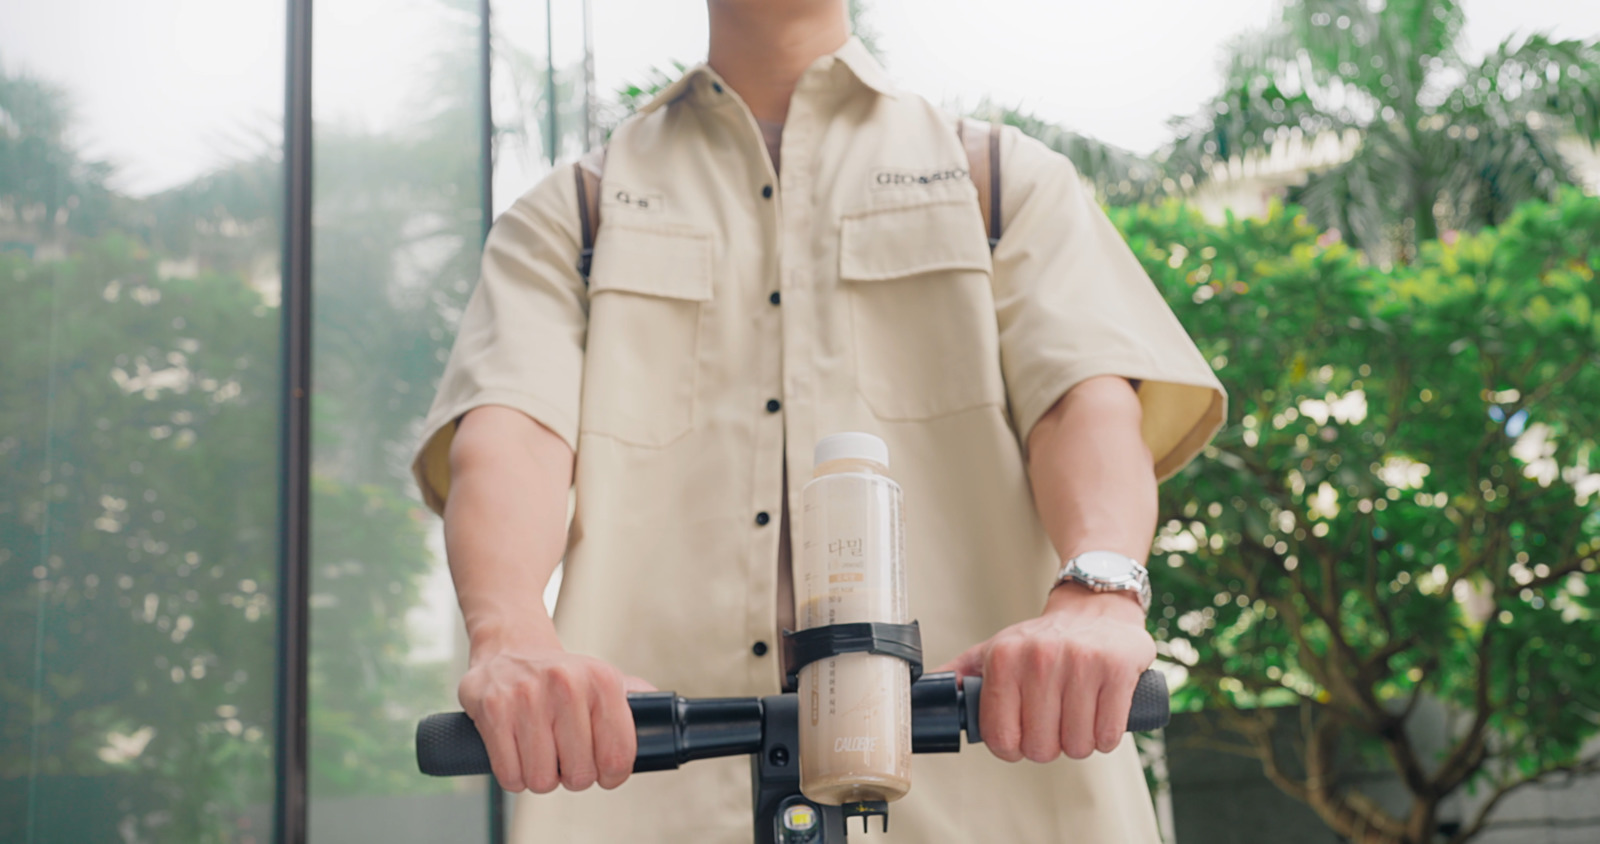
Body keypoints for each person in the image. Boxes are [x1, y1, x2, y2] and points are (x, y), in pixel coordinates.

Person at [411, 1, 1226, 840]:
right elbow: (512, 434)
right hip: (653, 803)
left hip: (1003, 795)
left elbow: (1083, 403)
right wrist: (512, 635)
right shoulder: (571, 215)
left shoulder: (1001, 180)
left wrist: (1097, 596)